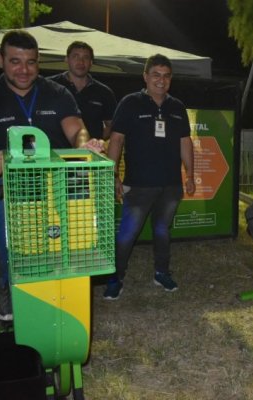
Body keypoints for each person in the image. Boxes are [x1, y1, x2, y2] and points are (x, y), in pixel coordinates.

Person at [0, 30, 103, 321]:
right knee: (15, 246)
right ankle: (10, 289)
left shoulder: (57, 92)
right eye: (15, 61)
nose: (24, 70)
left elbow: (76, 129)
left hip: (57, 186)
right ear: (0, 59)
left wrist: (85, 144)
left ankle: (59, 296)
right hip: (15, 188)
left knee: (61, 242)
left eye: (31, 62)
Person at [103, 54, 195, 300]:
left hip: (171, 185)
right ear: (145, 76)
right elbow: (116, 140)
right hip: (139, 185)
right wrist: (113, 175)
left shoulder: (177, 107)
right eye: (156, 74)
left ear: (170, 79)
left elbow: (185, 142)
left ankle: (161, 273)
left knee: (163, 231)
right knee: (126, 235)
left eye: (166, 76)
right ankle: (115, 278)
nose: (161, 80)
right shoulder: (130, 103)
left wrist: (190, 174)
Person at [49, 41, 117, 140]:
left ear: (91, 63)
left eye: (86, 57)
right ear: (66, 59)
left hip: (89, 154)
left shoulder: (104, 92)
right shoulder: (50, 86)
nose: (81, 62)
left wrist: (95, 140)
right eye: (76, 56)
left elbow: (112, 125)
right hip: (55, 151)